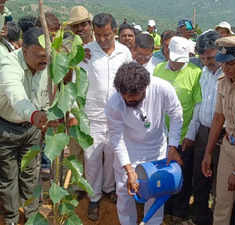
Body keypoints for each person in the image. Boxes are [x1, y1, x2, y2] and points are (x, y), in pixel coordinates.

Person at [0, 27, 52, 225]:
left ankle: (32, 214)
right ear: (24, 51)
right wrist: (33, 114)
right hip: (3, 129)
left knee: (31, 174)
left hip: (31, 129)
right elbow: (17, 95)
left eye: (47, 56)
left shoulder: (46, 65)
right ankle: (12, 217)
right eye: (40, 56)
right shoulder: (9, 64)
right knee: (8, 176)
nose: (45, 61)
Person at [105, 62, 184, 225]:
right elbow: (117, 138)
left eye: (134, 96)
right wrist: (129, 169)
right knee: (124, 193)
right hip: (128, 150)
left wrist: (173, 146)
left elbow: (176, 114)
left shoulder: (163, 88)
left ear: (145, 88)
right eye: (125, 96)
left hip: (156, 150)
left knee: (156, 191)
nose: (128, 99)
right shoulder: (114, 103)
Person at [81, 13, 133, 221]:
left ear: (115, 32)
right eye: (99, 35)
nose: (102, 40)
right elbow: (76, 81)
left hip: (117, 115)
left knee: (113, 154)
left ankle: (109, 189)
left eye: (107, 35)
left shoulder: (124, 52)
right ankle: (93, 198)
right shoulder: (87, 53)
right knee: (91, 157)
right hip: (92, 115)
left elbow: (129, 80)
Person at [201, 36, 235, 225]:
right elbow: (218, 118)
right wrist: (208, 153)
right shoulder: (223, 82)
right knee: (221, 203)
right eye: (223, 63)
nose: (225, 68)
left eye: (231, 64)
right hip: (227, 148)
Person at [153, 36, 202, 223]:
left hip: (184, 135)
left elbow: (198, 104)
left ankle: (179, 213)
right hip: (162, 135)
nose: (178, 63)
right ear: (167, 53)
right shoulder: (158, 70)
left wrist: (190, 133)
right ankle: (164, 210)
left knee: (182, 174)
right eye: (175, 59)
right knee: (164, 174)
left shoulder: (195, 72)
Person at [184, 30, 222, 225]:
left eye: (211, 57)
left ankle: (217, 219)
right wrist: (191, 134)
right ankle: (199, 218)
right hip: (203, 133)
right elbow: (199, 106)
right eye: (203, 58)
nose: (207, 62)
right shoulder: (204, 73)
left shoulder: (228, 73)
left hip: (223, 136)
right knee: (199, 179)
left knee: (219, 186)